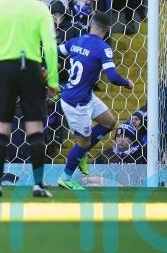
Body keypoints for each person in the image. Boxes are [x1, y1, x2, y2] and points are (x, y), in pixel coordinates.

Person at [0, 0, 59, 198]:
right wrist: (52, 80)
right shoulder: (40, 8)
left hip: (4, 69)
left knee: (1, 127)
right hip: (31, 68)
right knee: (34, 126)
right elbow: (50, 46)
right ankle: (38, 185)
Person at [55, 12, 134, 190]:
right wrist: (127, 83)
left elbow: (56, 51)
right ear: (107, 30)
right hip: (76, 103)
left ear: (90, 24)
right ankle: (65, 178)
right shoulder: (103, 48)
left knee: (110, 122)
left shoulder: (76, 41)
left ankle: (82, 153)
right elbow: (112, 77)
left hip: (86, 96)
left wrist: (51, 71)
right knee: (82, 143)